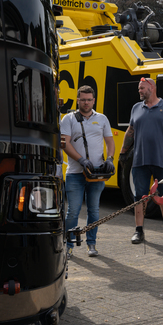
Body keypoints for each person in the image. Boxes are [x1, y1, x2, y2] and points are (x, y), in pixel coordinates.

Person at [119, 77, 163, 244]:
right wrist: (123, 152)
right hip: (140, 161)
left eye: (142, 88)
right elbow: (130, 131)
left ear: (152, 88)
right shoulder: (136, 108)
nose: (140, 91)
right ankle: (139, 231)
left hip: (161, 159)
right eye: (139, 89)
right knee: (140, 196)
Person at [61, 85, 115, 259]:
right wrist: (81, 160)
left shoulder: (102, 119)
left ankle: (91, 244)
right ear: (78, 100)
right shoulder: (68, 119)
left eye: (89, 99)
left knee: (94, 211)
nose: (86, 102)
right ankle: (68, 246)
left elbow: (110, 142)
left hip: (97, 174)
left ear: (94, 100)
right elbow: (65, 144)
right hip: (75, 173)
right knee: (73, 212)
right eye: (83, 99)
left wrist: (110, 159)